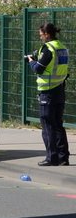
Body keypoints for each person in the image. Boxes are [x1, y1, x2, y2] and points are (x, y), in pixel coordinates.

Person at [26, 22, 69, 166]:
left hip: (48, 91)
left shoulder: (48, 48)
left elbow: (39, 68)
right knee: (58, 124)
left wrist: (31, 61)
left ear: (47, 34)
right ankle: (63, 157)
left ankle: (52, 157)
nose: (40, 38)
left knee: (48, 125)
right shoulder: (62, 47)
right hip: (60, 89)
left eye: (41, 35)